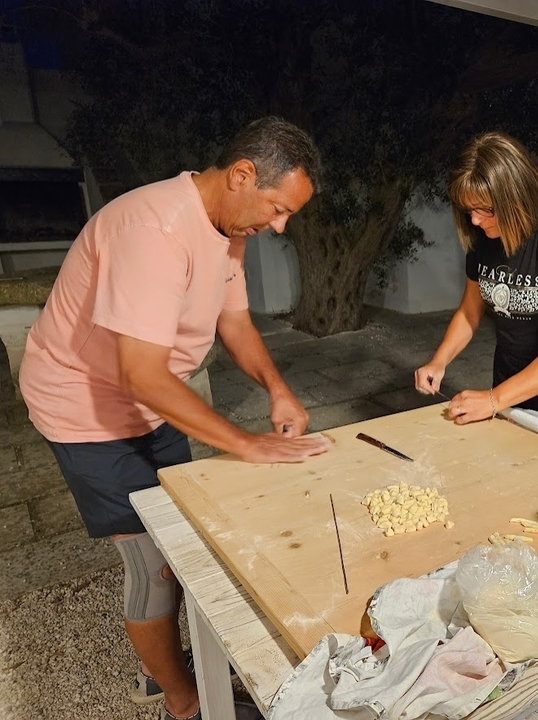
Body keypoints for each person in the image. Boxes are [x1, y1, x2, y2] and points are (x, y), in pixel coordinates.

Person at [19, 116, 331, 720]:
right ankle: (184, 701)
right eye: (277, 208)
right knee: (155, 565)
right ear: (242, 174)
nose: (280, 225)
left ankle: (166, 666)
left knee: (186, 543)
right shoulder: (153, 228)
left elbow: (234, 322)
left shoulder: (227, 226)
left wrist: (278, 391)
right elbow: (142, 373)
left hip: (152, 399)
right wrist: (245, 443)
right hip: (85, 409)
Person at [414, 131, 538, 424]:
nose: (475, 220)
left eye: (485, 210)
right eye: (469, 210)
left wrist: (492, 400)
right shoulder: (484, 237)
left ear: (517, 197)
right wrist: (438, 361)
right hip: (508, 378)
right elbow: (469, 311)